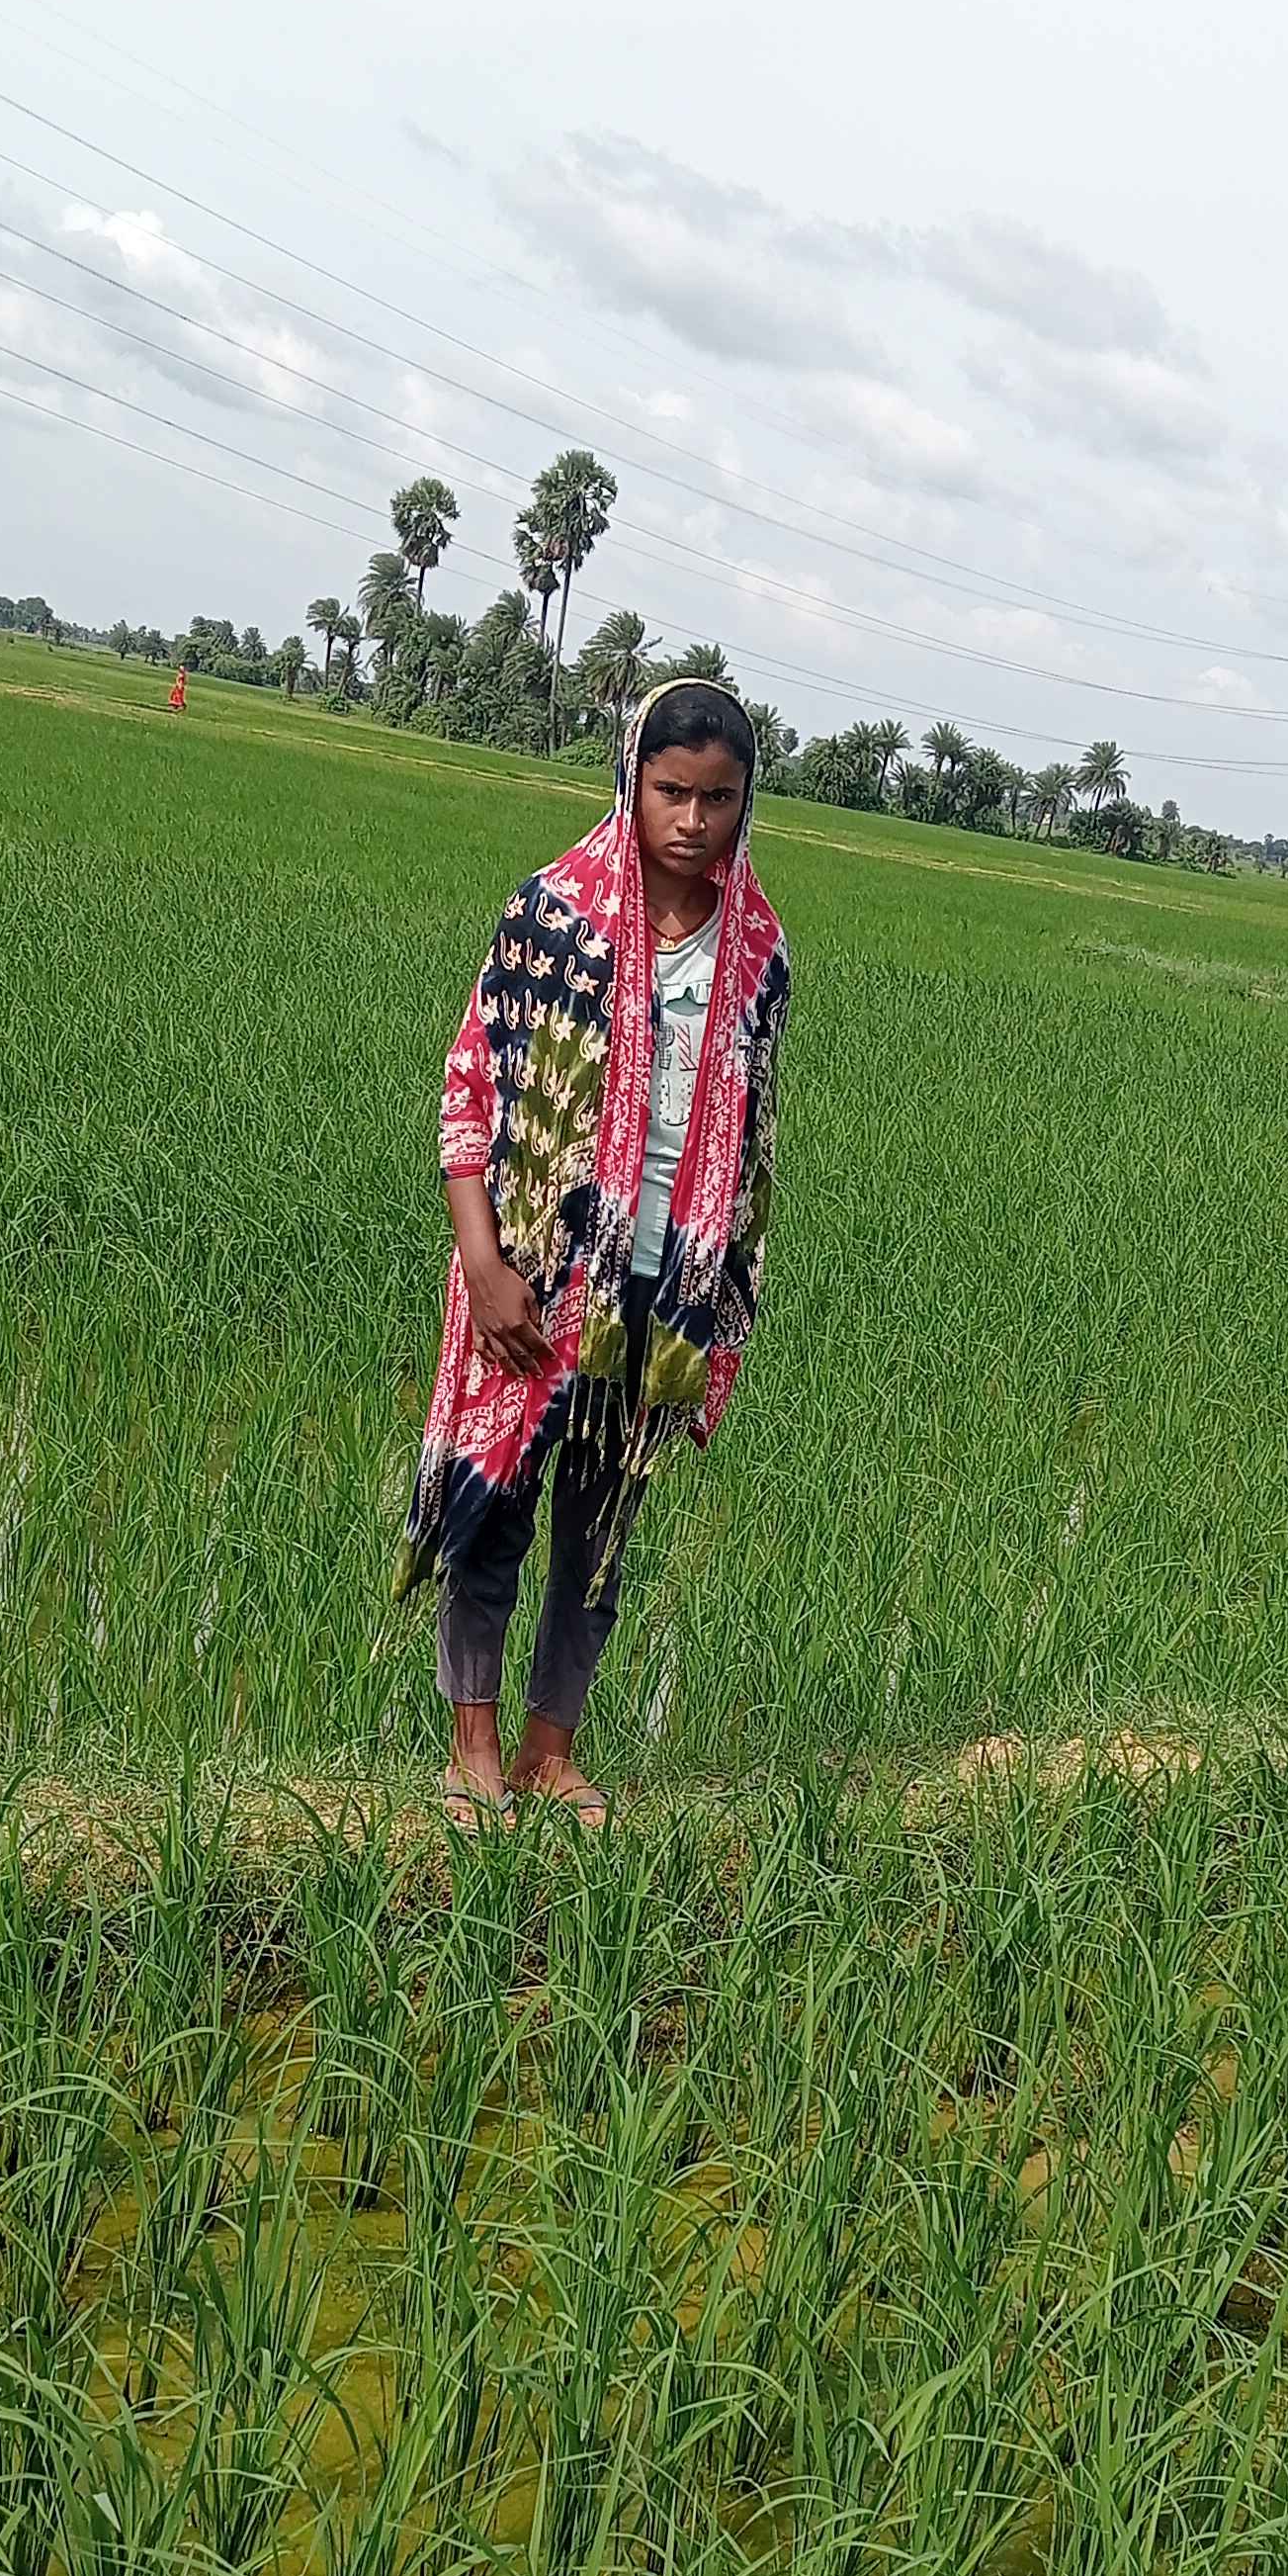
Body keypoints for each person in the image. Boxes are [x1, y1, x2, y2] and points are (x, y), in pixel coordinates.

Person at [397, 677, 790, 1821]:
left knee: (601, 1532)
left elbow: (755, 1144)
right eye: (672, 791)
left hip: (669, 1286)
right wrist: (484, 1265)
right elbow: (469, 1088)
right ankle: (471, 1749)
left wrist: (723, 1302)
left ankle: (548, 1751)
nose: (693, 820)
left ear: (746, 801)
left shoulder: (759, 954)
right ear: (632, 780)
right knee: (497, 1506)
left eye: (719, 797)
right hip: (538, 1277)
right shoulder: (554, 912)